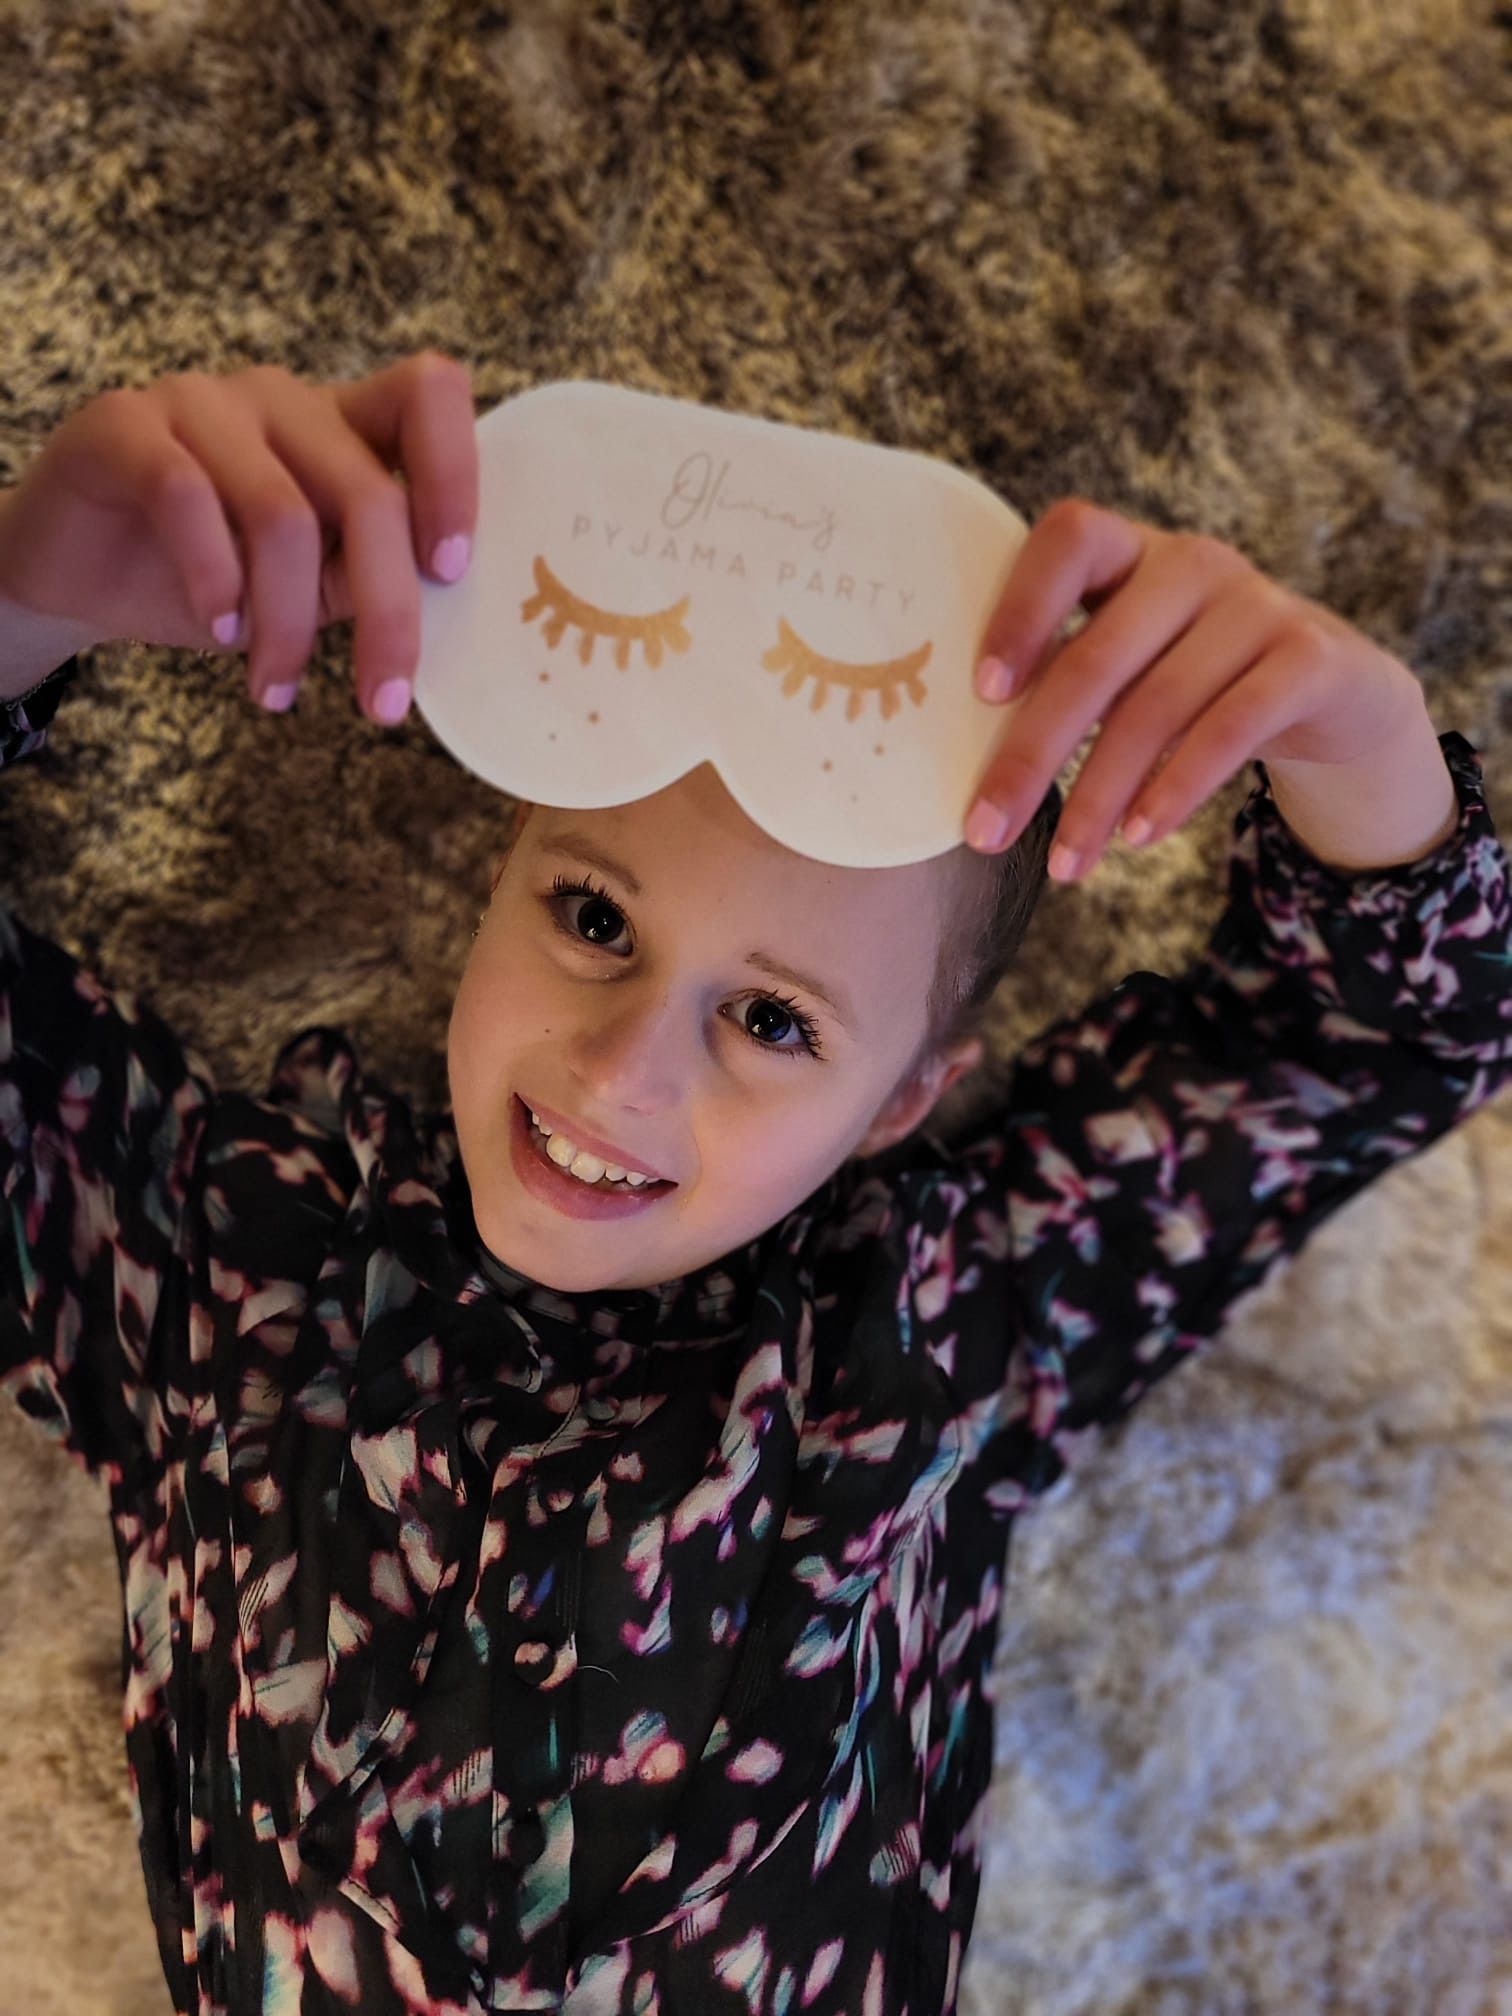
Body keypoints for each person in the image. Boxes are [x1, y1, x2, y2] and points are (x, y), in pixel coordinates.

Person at [0, 350, 1506, 2016]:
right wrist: (29, 597)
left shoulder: (948, 1321)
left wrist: (1358, 738)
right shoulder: (234, 1268)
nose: (622, 1073)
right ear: (501, 876)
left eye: (777, 1021)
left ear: (897, 1102)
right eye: (592, 918)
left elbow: (1367, 1051)